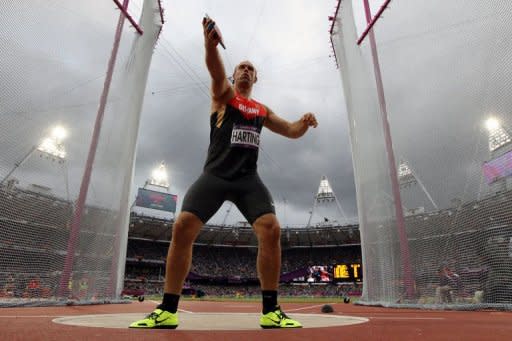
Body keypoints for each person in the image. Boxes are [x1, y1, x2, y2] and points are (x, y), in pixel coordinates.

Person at [130, 15, 318, 330]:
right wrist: (210, 43)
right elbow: (214, 68)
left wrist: (304, 122)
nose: (245, 70)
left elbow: (290, 129)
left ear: (256, 78)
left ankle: (271, 311)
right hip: (215, 176)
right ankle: (167, 309)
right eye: (241, 67)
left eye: (250, 68)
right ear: (233, 75)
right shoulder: (223, 95)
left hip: (247, 180)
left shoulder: (261, 110)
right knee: (182, 227)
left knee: (271, 229)